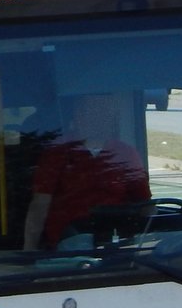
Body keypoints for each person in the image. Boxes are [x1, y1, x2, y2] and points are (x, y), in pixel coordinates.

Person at [23, 94, 150, 250]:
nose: (99, 118)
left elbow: (146, 206)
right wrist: (29, 249)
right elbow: (40, 205)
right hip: (66, 247)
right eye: (92, 112)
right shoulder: (57, 152)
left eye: (104, 113)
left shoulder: (125, 153)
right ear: (78, 115)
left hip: (116, 245)